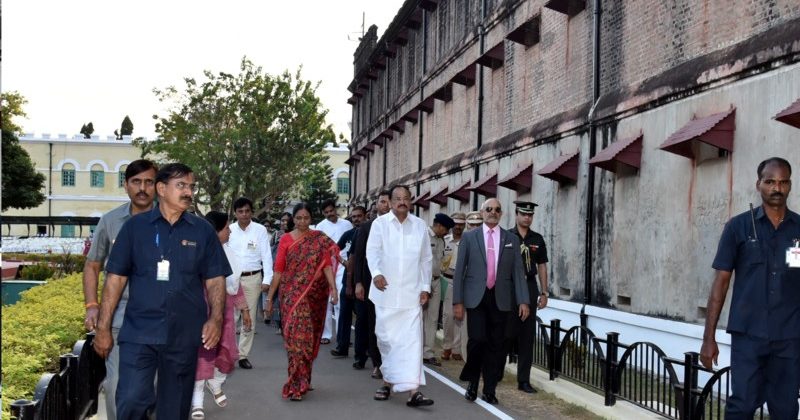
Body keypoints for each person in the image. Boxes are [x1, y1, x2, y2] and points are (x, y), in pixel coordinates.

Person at [93, 163, 230, 419]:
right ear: (162, 189)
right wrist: (103, 328)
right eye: (181, 186)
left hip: (184, 335)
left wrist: (216, 319)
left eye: (191, 186)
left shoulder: (202, 231)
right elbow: (115, 280)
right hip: (139, 331)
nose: (188, 192)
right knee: (131, 398)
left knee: (174, 410)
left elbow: (215, 279)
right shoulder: (134, 228)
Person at [700, 157, 799, 419]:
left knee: (787, 410)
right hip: (748, 336)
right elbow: (720, 283)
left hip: (789, 337)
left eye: (783, 182)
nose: (777, 188)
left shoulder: (799, 230)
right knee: (742, 406)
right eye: (770, 181)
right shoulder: (738, 227)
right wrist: (708, 338)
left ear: (790, 185)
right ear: (759, 184)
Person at [82, 159, 157, 420]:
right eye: (136, 182)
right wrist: (92, 306)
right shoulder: (111, 221)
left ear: (158, 186)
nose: (142, 188)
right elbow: (92, 265)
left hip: (160, 318)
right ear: (126, 185)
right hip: (119, 316)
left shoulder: (170, 221)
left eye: (149, 182)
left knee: (155, 389)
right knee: (116, 386)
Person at [453, 198, 530, 405]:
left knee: (496, 346)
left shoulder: (511, 239)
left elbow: (518, 272)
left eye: (497, 209)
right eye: (489, 209)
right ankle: (472, 381)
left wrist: (523, 300)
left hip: (501, 299)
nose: (493, 212)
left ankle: (489, 389)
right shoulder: (469, 237)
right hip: (476, 298)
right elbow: (459, 271)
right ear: (482, 212)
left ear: (501, 214)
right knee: (477, 340)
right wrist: (457, 302)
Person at [366, 185, 435, 407]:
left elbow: (426, 259)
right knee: (387, 341)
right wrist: (376, 274)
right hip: (385, 294)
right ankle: (387, 382)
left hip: (411, 296)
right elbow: (372, 252)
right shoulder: (379, 224)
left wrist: (425, 287)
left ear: (411, 201)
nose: (402, 202)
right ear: (391, 202)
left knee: (412, 343)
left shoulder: (420, 225)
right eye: (398, 198)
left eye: (406, 198)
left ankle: (414, 392)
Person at [265, 202, 339, 401]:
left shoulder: (318, 239)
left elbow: (326, 265)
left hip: (313, 295)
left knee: (308, 339)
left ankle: (304, 378)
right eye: (298, 218)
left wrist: (333, 288)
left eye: (306, 218)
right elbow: (278, 271)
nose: (302, 221)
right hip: (291, 295)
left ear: (311, 219)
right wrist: (270, 298)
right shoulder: (285, 239)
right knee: (296, 340)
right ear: (293, 219)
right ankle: (295, 384)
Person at [191, 211, 251, 419]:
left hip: (226, 315)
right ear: (215, 231)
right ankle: (197, 401)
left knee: (226, 355)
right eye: (226, 228)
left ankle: (215, 384)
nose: (230, 232)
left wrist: (245, 311)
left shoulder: (229, 253)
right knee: (203, 356)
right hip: (203, 313)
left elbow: (236, 285)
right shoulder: (199, 252)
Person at [505, 201, 549, 394]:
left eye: (530, 215)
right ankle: (495, 372)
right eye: (523, 214)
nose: (527, 218)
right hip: (510, 287)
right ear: (516, 214)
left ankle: (524, 380)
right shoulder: (507, 236)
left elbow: (542, 266)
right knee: (506, 332)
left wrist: (544, 292)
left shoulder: (537, 239)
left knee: (527, 335)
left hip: (530, 286)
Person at [229, 197, 274, 369]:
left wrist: (267, 279)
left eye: (247, 211)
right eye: (240, 211)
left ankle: (242, 355)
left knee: (249, 319)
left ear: (252, 212)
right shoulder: (230, 230)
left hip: (252, 278)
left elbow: (266, 256)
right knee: (231, 318)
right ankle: (229, 353)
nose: (244, 214)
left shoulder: (260, 230)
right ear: (235, 213)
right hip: (232, 279)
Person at [351, 191, 391, 374]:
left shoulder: (402, 227)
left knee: (389, 325)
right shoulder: (367, 227)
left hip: (394, 284)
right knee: (372, 323)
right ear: (377, 204)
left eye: (389, 201)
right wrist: (358, 283)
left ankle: (391, 361)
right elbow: (359, 257)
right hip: (371, 283)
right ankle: (377, 363)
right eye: (382, 201)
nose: (386, 205)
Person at [315, 199, 353, 345]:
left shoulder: (347, 224)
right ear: (323, 213)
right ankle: (326, 334)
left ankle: (342, 336)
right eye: (326, 212)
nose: (329, 214)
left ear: (335, 209)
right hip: (327, 266)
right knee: (327, 302)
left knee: (340, 302)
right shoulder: (320, 227)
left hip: (343, 266)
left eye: (331, 211)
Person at [331, 206, 367, 358]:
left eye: (359, 216)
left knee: (362, 318)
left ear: (365, 216)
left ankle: (363, 351)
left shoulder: (370, 233)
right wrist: (343, 262)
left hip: (363, 280)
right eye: (354, 217)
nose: (356, 219)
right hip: (348, 279)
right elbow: (333, 250)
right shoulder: (348, 234)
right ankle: (342, 347)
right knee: (344, 314)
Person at [422, 213, 455, 366]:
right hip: (424, 282)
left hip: (436, 281)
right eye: (446, 229)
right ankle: (416, 350)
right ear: (439, 226)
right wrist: (424, 284)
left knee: (433, 318)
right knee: (420, 317)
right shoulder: (424, 236)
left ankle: (428, 353)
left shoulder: (441, 240)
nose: (447, 232)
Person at [441, 212, 466, 362]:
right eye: (456, 223)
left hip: (463, 281)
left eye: (461, 224)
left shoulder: (468, 240)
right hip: (448, 279)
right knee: (447, 316)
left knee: (460, 316)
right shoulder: (445, 240)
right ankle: (447, 346)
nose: (458, 227)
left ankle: (457, 349)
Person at [266, 212, 294, 332]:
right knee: (277, 298)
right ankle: (280, 324)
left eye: (287, 220)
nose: (284, 223)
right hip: (276, 270)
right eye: (282, 220)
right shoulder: (276, 234)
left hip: (290, 274)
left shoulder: (295, 235)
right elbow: (269, 251)